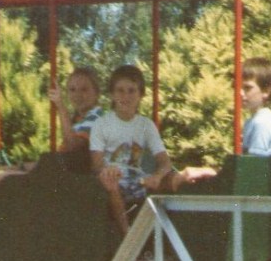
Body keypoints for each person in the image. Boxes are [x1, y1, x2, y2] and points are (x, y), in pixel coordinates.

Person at [90, 65, 217, 234]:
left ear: (140, 94)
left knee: (167, 181)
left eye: (131, 91)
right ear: (112, 94)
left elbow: (164, 162)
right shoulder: (102, 124)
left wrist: (156, 177)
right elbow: (96, 164)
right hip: (111, 179)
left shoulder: (146, 125)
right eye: (120, 91)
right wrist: (107, 170)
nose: (125, 96)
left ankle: (189, 174)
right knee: (112, 183)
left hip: (137, 179)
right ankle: (127, 234)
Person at [48, 66, 103, 154]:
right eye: (72, 90)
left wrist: (61, 107)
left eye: (84, 89)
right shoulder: (78, 120)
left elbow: (73, 147)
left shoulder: (96, 118)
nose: (78, 95)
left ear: (96, 93)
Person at [241, 57, 271, 156]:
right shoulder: (252, 121)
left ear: (266, 91)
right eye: (238, 87)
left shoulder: (262, 122)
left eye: (247, 88)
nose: (240, 93)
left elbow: (254, 166)